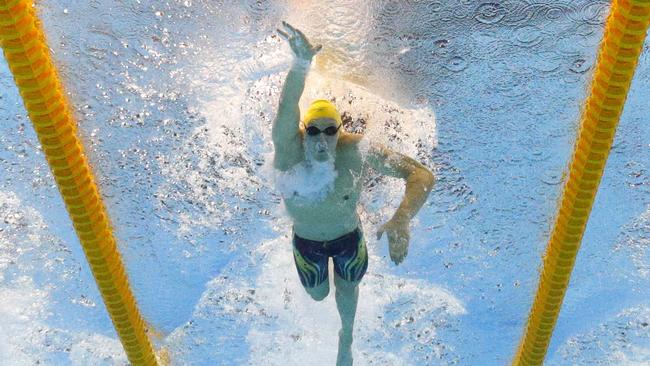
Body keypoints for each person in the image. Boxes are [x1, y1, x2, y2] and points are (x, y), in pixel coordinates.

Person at [274, 22, 435, 366]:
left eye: (329, 131)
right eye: (313, 131)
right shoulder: (289, 150)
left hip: (349, 238)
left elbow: (420, 173)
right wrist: (301, 65)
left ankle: (345, 340)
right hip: (307, 243)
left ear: (340, 132)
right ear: (303, 131)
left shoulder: (356, 150)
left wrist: (402, 218)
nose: (321, 139)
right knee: (319, 296)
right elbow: (286, 108)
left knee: (348, 291)